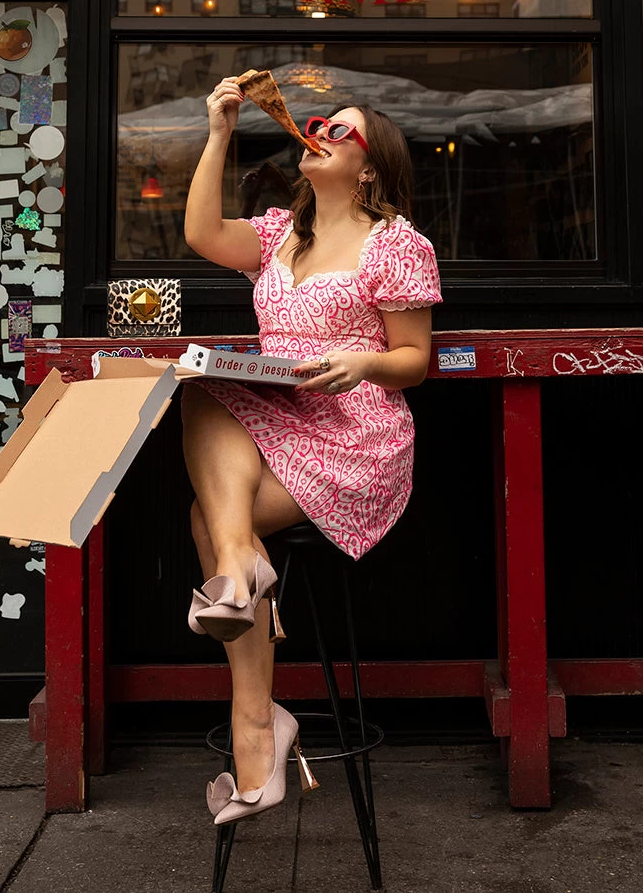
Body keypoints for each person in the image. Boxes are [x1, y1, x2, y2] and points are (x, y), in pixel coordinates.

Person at [182, 75, 442, 827]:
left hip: (352, 434)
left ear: (369, 167)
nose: (318, 130)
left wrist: (363, 360)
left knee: (209, 521)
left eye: (340, 128)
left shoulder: (396, 242)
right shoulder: (276, 235)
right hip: (276, 415)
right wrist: (221, 130)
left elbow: (415, 359)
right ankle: (241, 575)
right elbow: (201, 233)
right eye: (319, 122)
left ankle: (257, 735)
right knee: (199, 389)